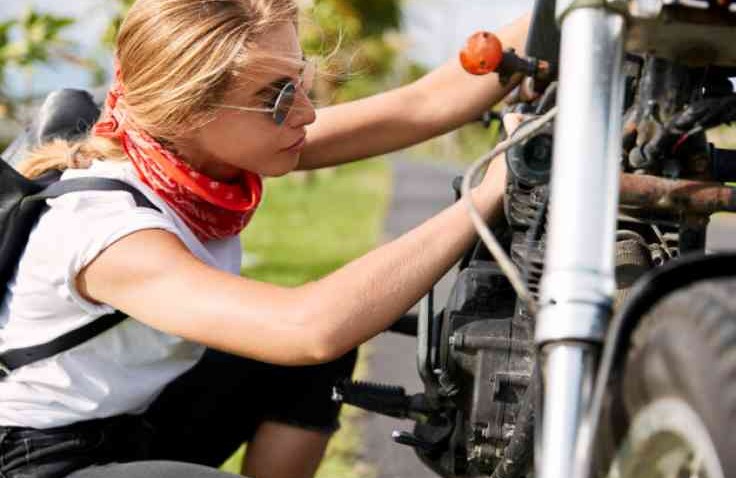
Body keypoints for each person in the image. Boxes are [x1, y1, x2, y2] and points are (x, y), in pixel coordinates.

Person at [1, 1, 530, 477]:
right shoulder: (104, 226)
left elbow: (424, 104)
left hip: (136, 418)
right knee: (313, 341)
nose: (305, 112)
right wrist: (481, 201)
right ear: (188, 109)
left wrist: (580, 13)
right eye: (276, 97)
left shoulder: (205, 147)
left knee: (305, 367)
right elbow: (307, 327)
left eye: (298, 81)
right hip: (39, 458)